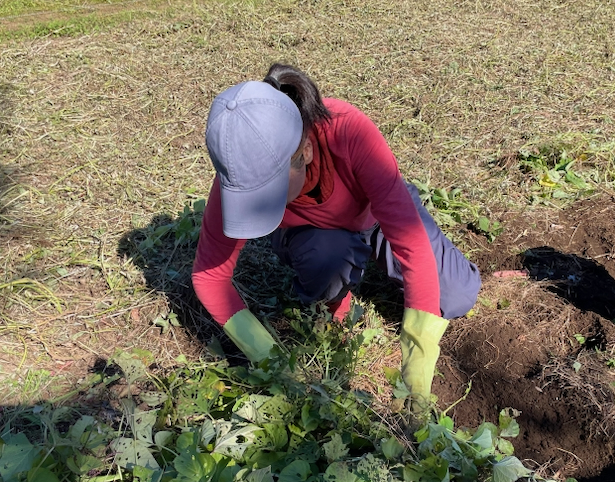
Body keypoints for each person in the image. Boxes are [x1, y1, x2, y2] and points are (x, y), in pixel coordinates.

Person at [191, 63, 482, 407]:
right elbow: (209, 276)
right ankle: (335, 302)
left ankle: (367, 258)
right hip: (314, 236)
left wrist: (415, 364)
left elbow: (409, 238)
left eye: (268, 192)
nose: (259, 203)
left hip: (373, 214)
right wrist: (271, 360)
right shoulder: (238, 170)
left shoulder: (347, 131)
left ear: (305, 152)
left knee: (459, 294)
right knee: (326, 258)